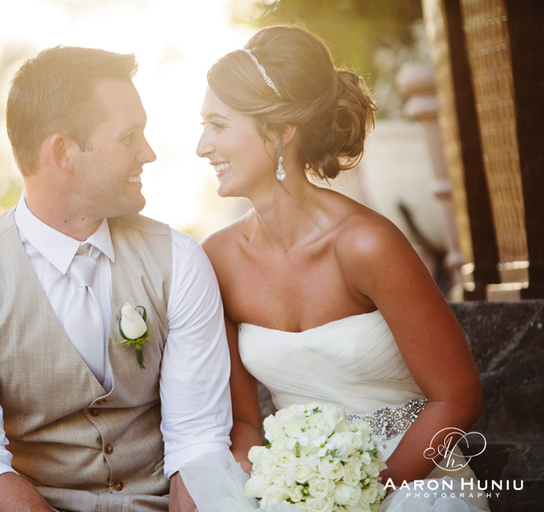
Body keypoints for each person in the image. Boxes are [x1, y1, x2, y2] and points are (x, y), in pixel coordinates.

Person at [184, 25, 491, 511]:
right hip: (297, 481)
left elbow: (457, 398)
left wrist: (362, 496)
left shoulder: (367, 244)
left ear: (281, 131)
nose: (203, 146)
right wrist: (279, 489)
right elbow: (243, 422)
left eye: (219, 125)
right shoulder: (217, 260)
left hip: (413, 475)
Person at [0, 46, 232, 512]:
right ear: (62, 151)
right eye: (129, 136)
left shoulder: (179, 260)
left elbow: (197, 437)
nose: (148, 152)